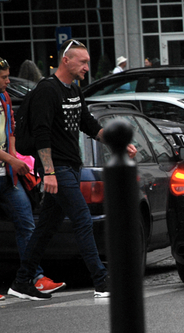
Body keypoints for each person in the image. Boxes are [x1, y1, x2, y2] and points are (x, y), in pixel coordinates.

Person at [7, 40, 137, 301]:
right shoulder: (47, 90)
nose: (87, 67)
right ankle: (101, 281)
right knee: (82, 219)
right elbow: (42, 133)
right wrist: (50, 172)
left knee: (45, 227)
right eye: (83, 62)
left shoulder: (74, 90)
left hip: (72, 166)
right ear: (66, 61)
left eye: (88, 62)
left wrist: (117, 142)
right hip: (58, 168)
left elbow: (87, 123)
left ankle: (21, 282)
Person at [0, 58, 66, 297]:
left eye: (8, 76)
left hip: (8, 176)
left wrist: (15, 154)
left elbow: (12, 130)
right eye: (3, 77)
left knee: (26, 223)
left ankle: (34, 277)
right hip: (8, 168)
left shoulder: (5, 99)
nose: (8, 80)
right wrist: (13, 160)